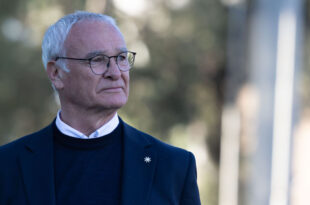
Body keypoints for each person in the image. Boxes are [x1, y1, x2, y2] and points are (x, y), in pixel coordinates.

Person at [0, 11, 201, 205]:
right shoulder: (7, 166)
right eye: (97, 60)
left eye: (121, 58)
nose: (115, 72)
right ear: (56, 73)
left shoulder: (174, 167)